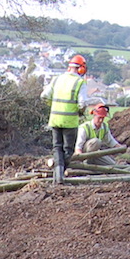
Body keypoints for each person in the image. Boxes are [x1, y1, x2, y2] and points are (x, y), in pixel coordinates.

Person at [47, 54, 89, 184]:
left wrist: (52, 106)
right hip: (70, 121)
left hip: (54, 119)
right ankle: (59, 177)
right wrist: (80, 112)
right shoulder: (79, 82)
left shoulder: (56, 79)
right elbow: (82, 104)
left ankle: (58, 177)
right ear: (81, 69)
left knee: (57, 147)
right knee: (68, 150)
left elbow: (44, 95)